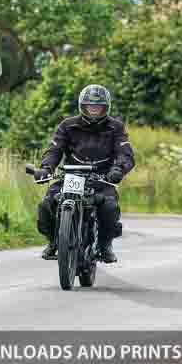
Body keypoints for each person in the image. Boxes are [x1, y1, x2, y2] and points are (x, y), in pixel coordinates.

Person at [35, 84, 135, 263]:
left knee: (110, 207)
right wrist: (46, 168)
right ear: (83, 106)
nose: (94, 111)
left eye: (98, 107)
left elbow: (125, 153)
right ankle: (54, 242)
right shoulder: (67, 125)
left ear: (106, 107)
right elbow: (54, 150)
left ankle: (105, 245)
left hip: (102, 178)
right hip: (70, 176)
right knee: (46, 204)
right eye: (91, 107)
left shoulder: (116, 127)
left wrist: (118, 169)